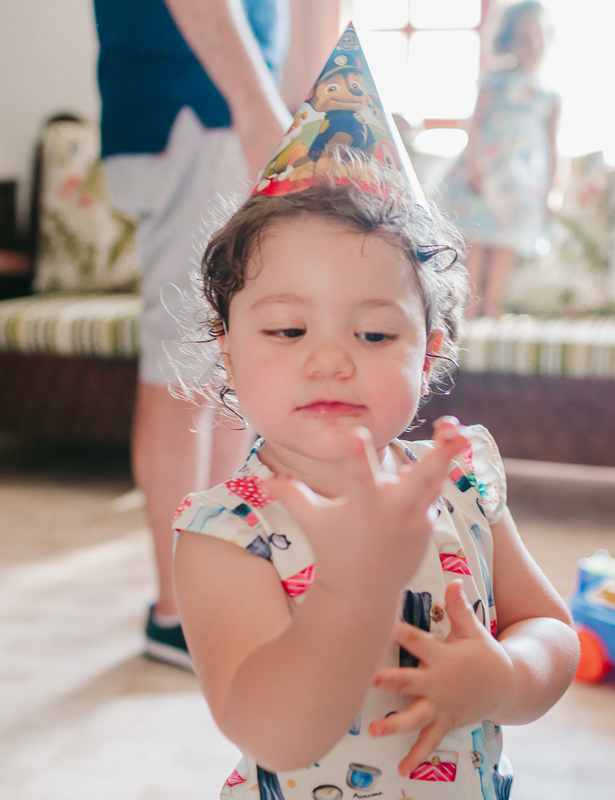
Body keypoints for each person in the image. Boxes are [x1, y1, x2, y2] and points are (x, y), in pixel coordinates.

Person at [170, 29, 579, 794]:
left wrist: (506, 677)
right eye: (288, 330)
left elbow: (550, 628)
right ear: (226, 348)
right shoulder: (226, 535)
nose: (330, 359)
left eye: (376, 332)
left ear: (428, 353)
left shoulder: (459, 485)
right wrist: (354, 586)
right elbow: (271, 730)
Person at [93, 0, 292, 668]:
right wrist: (257, 105)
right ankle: (176, 612)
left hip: (211, 102)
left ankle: (209, 589)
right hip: (195, 105)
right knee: (184, 366)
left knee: (218, 369)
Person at [443, 0, 561, 318]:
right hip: (486, 171)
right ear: (508, 40)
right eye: (524, 37)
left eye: (539, 37)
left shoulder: (550, 95)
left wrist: (553, 189)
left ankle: (492, 303)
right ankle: (470, 306)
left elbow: (552, 145)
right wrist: (474, 165)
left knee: (507, 241)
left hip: (523, 181)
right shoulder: (494, 80)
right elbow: (476, 124)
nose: (533, 45)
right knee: (477, 236)